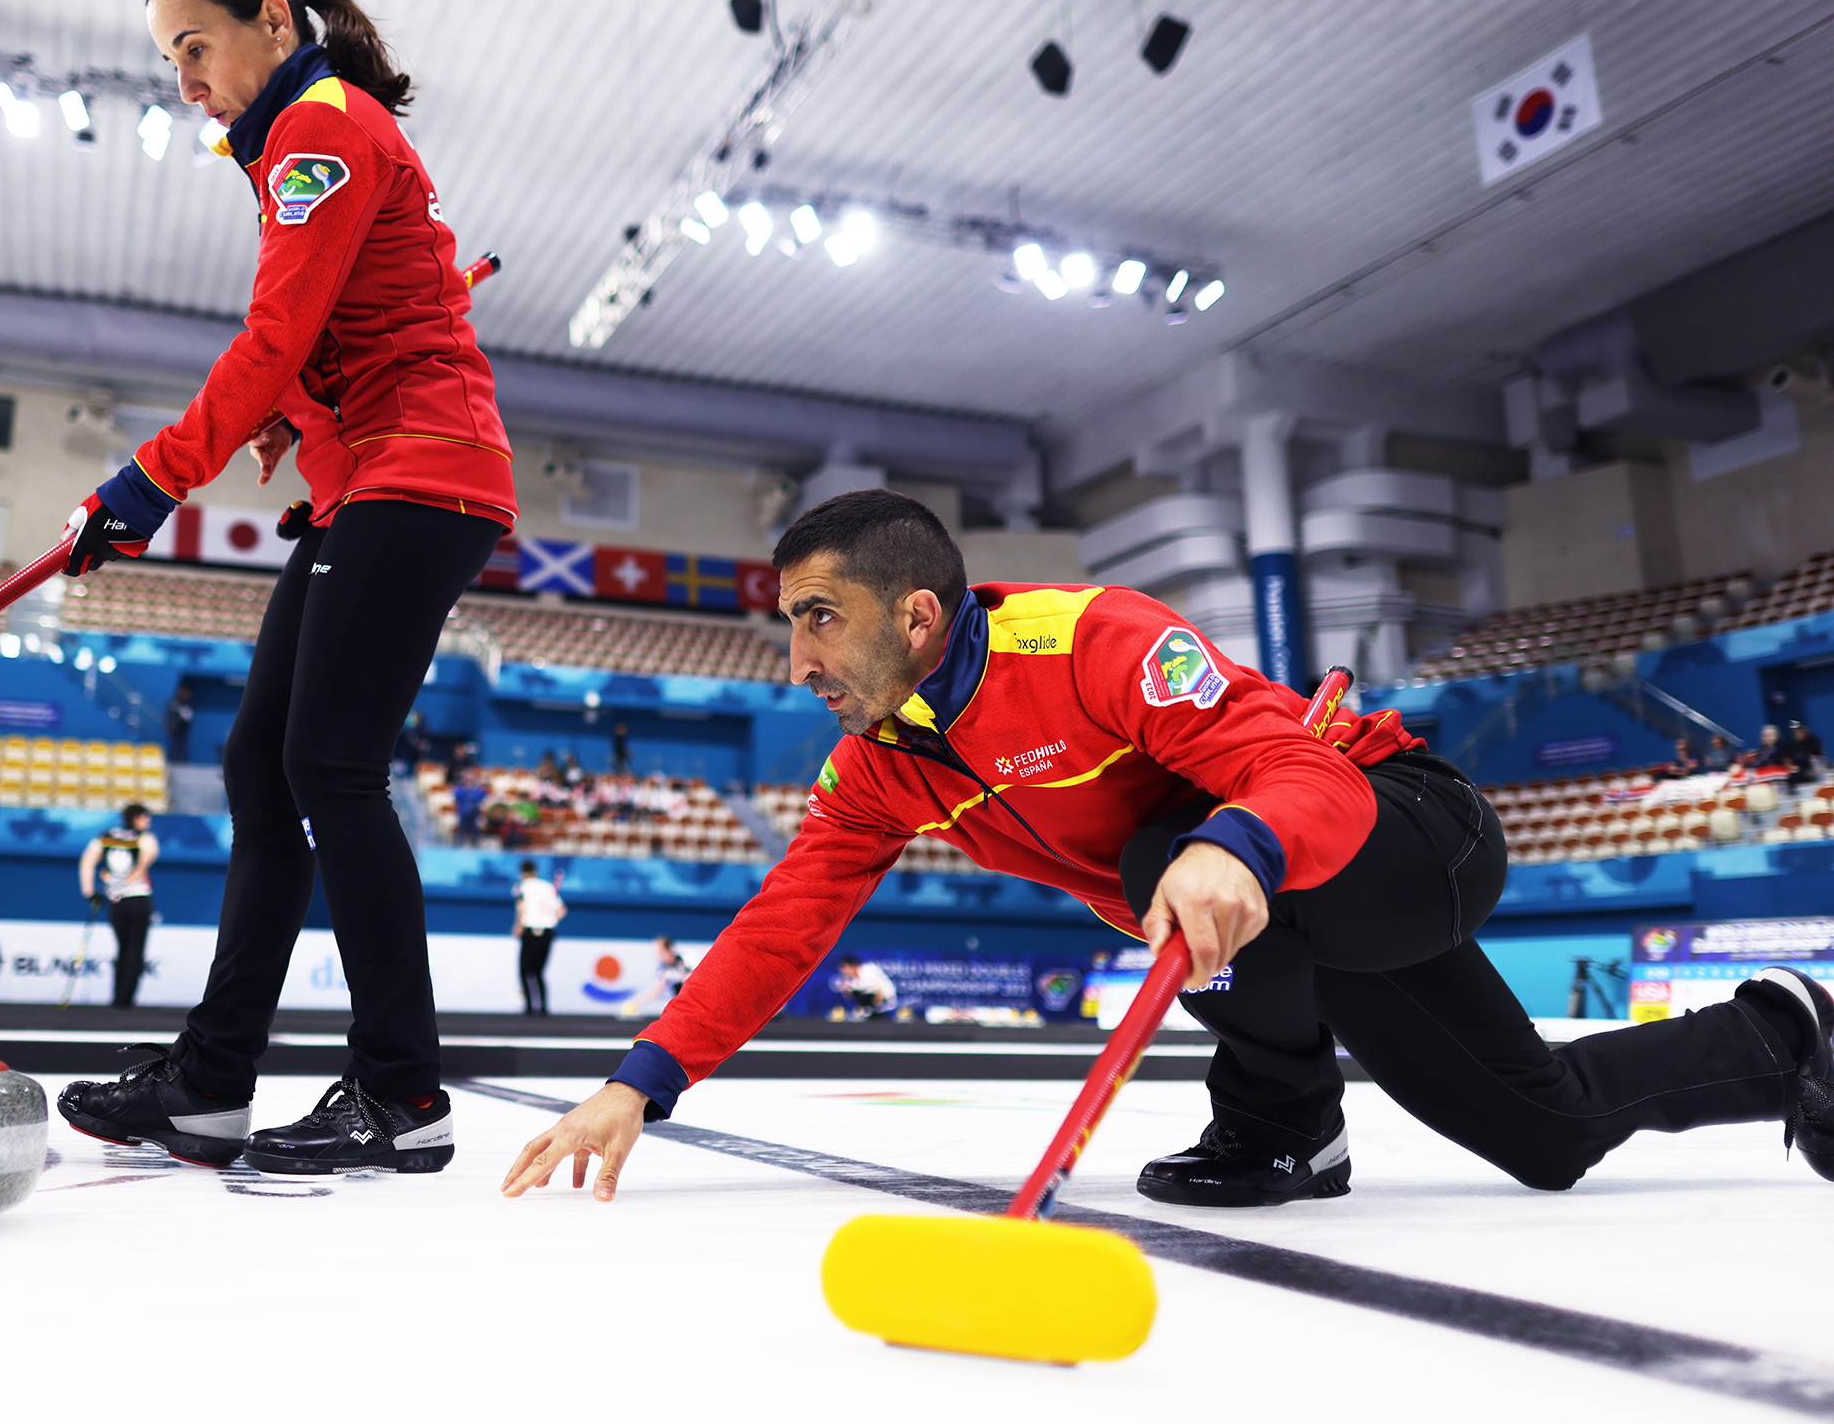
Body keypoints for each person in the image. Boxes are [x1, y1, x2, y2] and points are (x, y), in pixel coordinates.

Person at [502, 488, 1834, 1205]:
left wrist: (1236, 846)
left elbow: (1296, 766)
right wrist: (643, 1080)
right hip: (1297, 911)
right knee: (1541, 1133)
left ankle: (1282, 1129)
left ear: (914, 613)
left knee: (1161, 860)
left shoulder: (1093, 640)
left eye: (815, 619)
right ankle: (1783, 1033)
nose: (794, 659)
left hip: (1409, 834)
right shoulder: (874, 772)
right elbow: (780, 925)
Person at [56, 0, 514, 1176]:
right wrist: (293, 409)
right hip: (363, 477)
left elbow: (276, 331)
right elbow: (340, 332)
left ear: (271, 17)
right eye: (169, 58)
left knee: (330, 767)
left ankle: (402, 1095)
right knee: (263, 767)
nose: (184, 78)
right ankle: (208, 1087)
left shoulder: (316, 127)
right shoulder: (307, 133)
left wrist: (154, 475)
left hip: (421, 475)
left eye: (193, 47)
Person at [79, 804, 160, 1009]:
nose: (148, 822)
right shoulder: (144, 838)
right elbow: (148, 859)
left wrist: (89, 891)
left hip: (115, 899)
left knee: (122, 947)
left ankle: (117, 997)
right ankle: (126, 998)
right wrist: (130, 878)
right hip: (138, 897)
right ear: (136, 819)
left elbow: (87, 861)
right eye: (145, 817)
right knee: (135, 948)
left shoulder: (105, 837)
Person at [512, 859, 567, 1016]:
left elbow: (521, 906)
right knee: (539, 971)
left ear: (522, 873)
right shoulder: (548, 886)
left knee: (524, 970)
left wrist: (518, 926)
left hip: (530, 930)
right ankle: (543, 1007)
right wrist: (550, 920)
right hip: (548, 931)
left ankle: (529, 1006)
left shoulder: (523, 886)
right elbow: (562, 909)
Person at [831, 954, 897, 1019]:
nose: (843, 971)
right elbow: (850, 995)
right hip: (870, 1002)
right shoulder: (849, 980)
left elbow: (882, 985)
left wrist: (880, 995)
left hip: (885, 999)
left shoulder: (868, 969)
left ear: (853, 966)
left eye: (845, 967)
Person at [453, 767, 487, 847]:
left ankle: (474, 844)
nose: (469, 780)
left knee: (475, 829)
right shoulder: (460, 789)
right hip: (463, 813)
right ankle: (459, 844)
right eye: (467, 779)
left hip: (474, 813)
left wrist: (472, 790)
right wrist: (465, 790)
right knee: (461, 829)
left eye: (470, 779)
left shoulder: (477, 789)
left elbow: (480, 796)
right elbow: (457, 796)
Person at [166, 685, 194, 765]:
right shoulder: (175, 702)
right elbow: (169, 715)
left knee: (182, 745)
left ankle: (181, 760)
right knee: (174, 745)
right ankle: (174, 759)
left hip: (183, 728)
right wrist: (168, 726)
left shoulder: (188, 703)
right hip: (175, 728)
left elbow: (189, 715)